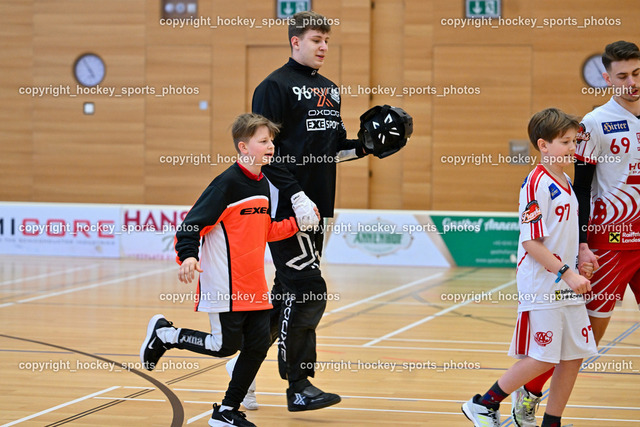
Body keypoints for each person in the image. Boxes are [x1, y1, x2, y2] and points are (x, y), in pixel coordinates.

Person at [222, 10, 373, 413]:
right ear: (295, 41)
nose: (323, 47)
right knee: (307, 290)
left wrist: (367, 147)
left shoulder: (330, 90)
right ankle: (299, 385)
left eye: (327, 41)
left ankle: (242, 367)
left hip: (318, 209)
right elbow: (265, 152)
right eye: (315, 40)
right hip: (286, 209)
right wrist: (296, 196)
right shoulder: (273, 87)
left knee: (288, 294)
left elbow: (333, 150)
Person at [139, 113, 300, 427]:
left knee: (256, 347)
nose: (270, 146)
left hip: (254, 285)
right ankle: (165, 334)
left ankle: (226, 411)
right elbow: (190, 226)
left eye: (271, 141)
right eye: (263, 141)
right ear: (244, 147)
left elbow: (264, 231)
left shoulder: (265, 184)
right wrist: (188, 257)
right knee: (223, 346)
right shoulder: (225, 185)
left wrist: (296, 223)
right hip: (224, 283)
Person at [511, 40, 640, 427]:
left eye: (637, 74)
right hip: (610, 245)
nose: (631, 83)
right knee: (583, 342)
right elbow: (581, 187)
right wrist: (583, 244)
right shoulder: (595, 123)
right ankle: (530, 393)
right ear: (607, 78)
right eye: (622, 76)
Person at [462, 108, 598, 427]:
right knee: (543, 357)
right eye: (565, 142)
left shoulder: (566, 180)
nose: (572, 148)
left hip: (565, 282)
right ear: (543, 145)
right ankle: (483, 404)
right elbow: (531, 243)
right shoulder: (536, 183)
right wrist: (567, 273)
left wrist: (581, 256)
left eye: (574, 141)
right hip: (542, 284)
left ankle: (552, 422)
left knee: (573, 355)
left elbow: (564, 233)